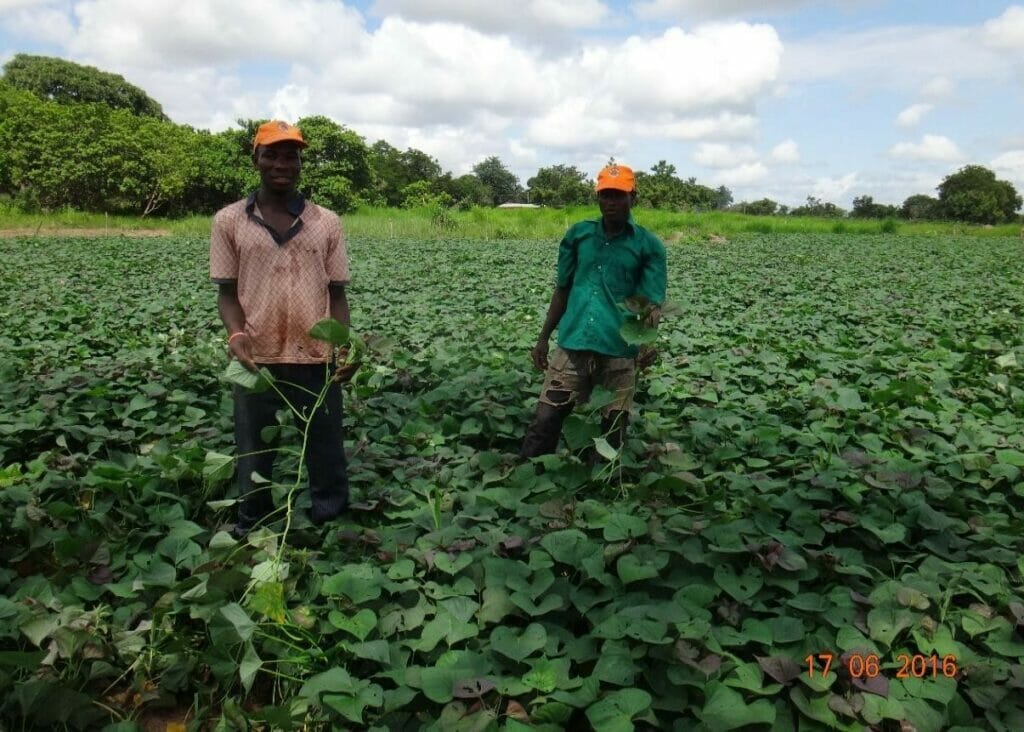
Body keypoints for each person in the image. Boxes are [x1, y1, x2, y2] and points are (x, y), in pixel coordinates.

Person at [210, 120, 354, 537]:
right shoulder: (229, 221)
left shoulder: (327, 222)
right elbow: (227, 292)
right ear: (255, 158)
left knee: (325, 445)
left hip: (315, 355)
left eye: (291, 155)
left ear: (300, 163)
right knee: (254, 449)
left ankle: (330, 521)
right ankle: (254, 524)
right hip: (257, 356)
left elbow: (337, 294)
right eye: (271, 154)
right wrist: (236, 336)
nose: (282, 163)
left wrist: (344, 348)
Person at [519, 164, 667, 458]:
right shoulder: (579, 236)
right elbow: (562, 289)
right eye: (605, 195)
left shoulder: (648, 245)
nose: (611, 202)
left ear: (632, 197)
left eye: (618, 195)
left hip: (619, 348)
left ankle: (604, 487)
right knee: (545, 420)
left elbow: (650, 302)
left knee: (613, 428)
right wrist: (543, 337)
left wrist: (646, 340)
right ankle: (529, 472)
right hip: (573, 343)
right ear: (598, 198)